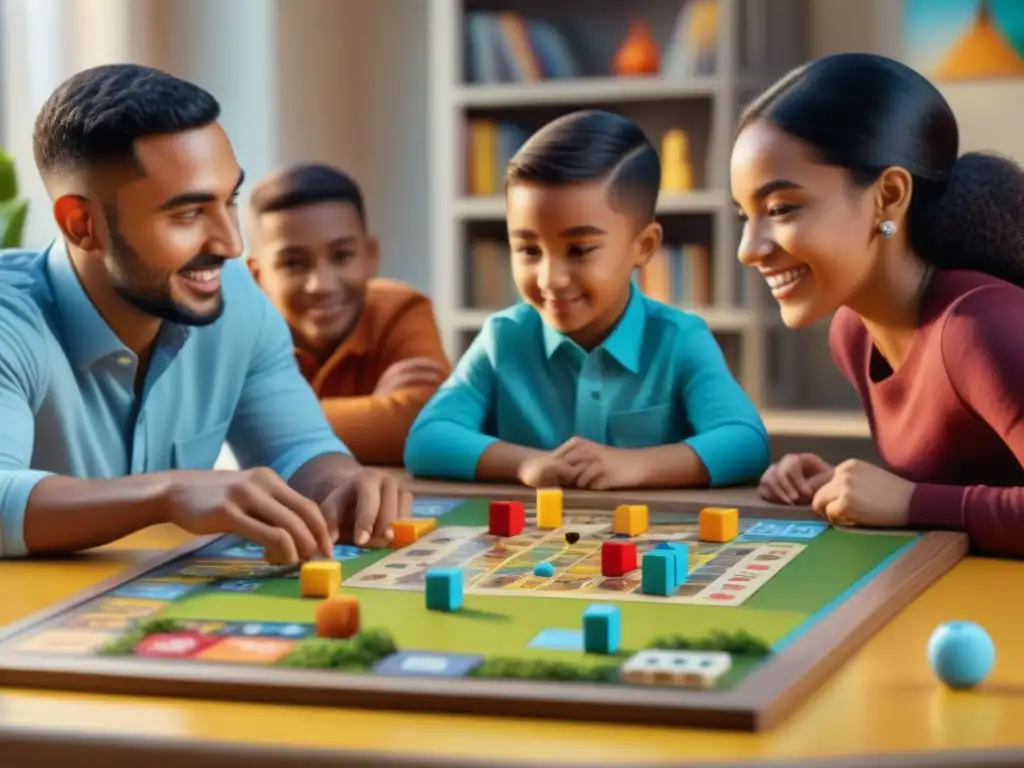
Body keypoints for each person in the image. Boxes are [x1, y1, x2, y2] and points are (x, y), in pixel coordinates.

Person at [0, 64, 411, 562]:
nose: (231, 244)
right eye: (188, 214)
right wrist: (169, 493)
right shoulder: (11, 320)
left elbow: (296, 447)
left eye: (229, 200)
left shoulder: (235, 299)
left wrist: (344, 483)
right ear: (82, 223)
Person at [730, 52, 1024, 557]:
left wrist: (911, 502)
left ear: (888, 195)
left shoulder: (978, 328)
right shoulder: (853, 333)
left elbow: (929, 500)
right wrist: (843, 487)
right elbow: (964, 477)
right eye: (744, 216)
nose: (748, 249)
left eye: (780, 209)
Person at [405, 109, 769, 490]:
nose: (551, 278)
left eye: (579, 250)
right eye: (528, 250)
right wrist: (526, 463)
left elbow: (746, 442)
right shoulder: (503, 338)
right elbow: (428, 438)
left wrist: (636, 466)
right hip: (533, 542)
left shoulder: (680, 339)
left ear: (643, 246)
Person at [246, 164, 450, 465]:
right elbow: (238, 440)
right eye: (293, 264)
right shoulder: (242, 336)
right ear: (257, 275)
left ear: (370, 256)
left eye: (342, 256)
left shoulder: (401, 310)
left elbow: (428, 427)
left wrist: (277, 420)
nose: (322, 285)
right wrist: (374, 411)